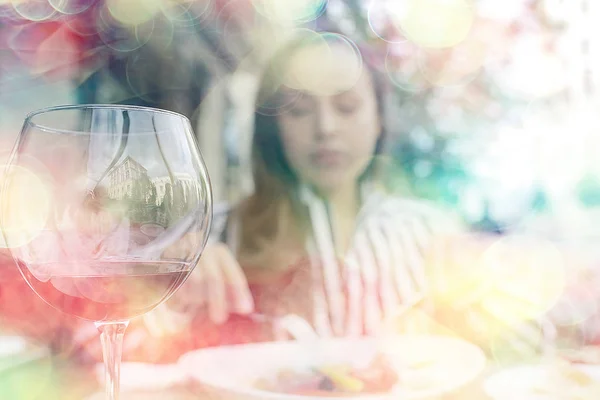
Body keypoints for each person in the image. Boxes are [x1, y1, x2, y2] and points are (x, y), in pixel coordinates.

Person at [119, 30, 555, 365]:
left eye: (346, 106)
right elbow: (116, 353)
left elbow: (533, 348)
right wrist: (167, 298)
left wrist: (499, 309)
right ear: (273, 129)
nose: (325, 128)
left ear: (379, 119)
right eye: (300, 110)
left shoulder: (428, 232)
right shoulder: (216, 234)